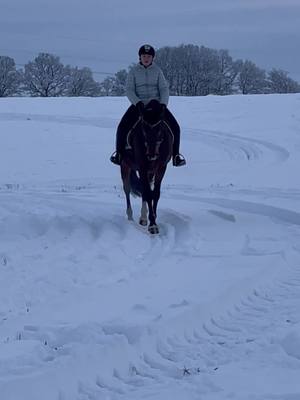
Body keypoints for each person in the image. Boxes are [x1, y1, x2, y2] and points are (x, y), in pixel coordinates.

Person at [110, 44, 186, 167]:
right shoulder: (134, 71)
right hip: (139, 106)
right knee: (122, 126)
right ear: (140, 57)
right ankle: (118, 154)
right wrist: (137, 102)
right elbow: (129, 90)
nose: (146, 58)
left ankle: (176, 156)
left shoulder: (157, 71)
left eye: (149, 56)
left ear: (152, 58)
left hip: (156, 105)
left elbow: (164, 89)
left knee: (175, 127)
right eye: (144, 56)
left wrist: (163, 104)